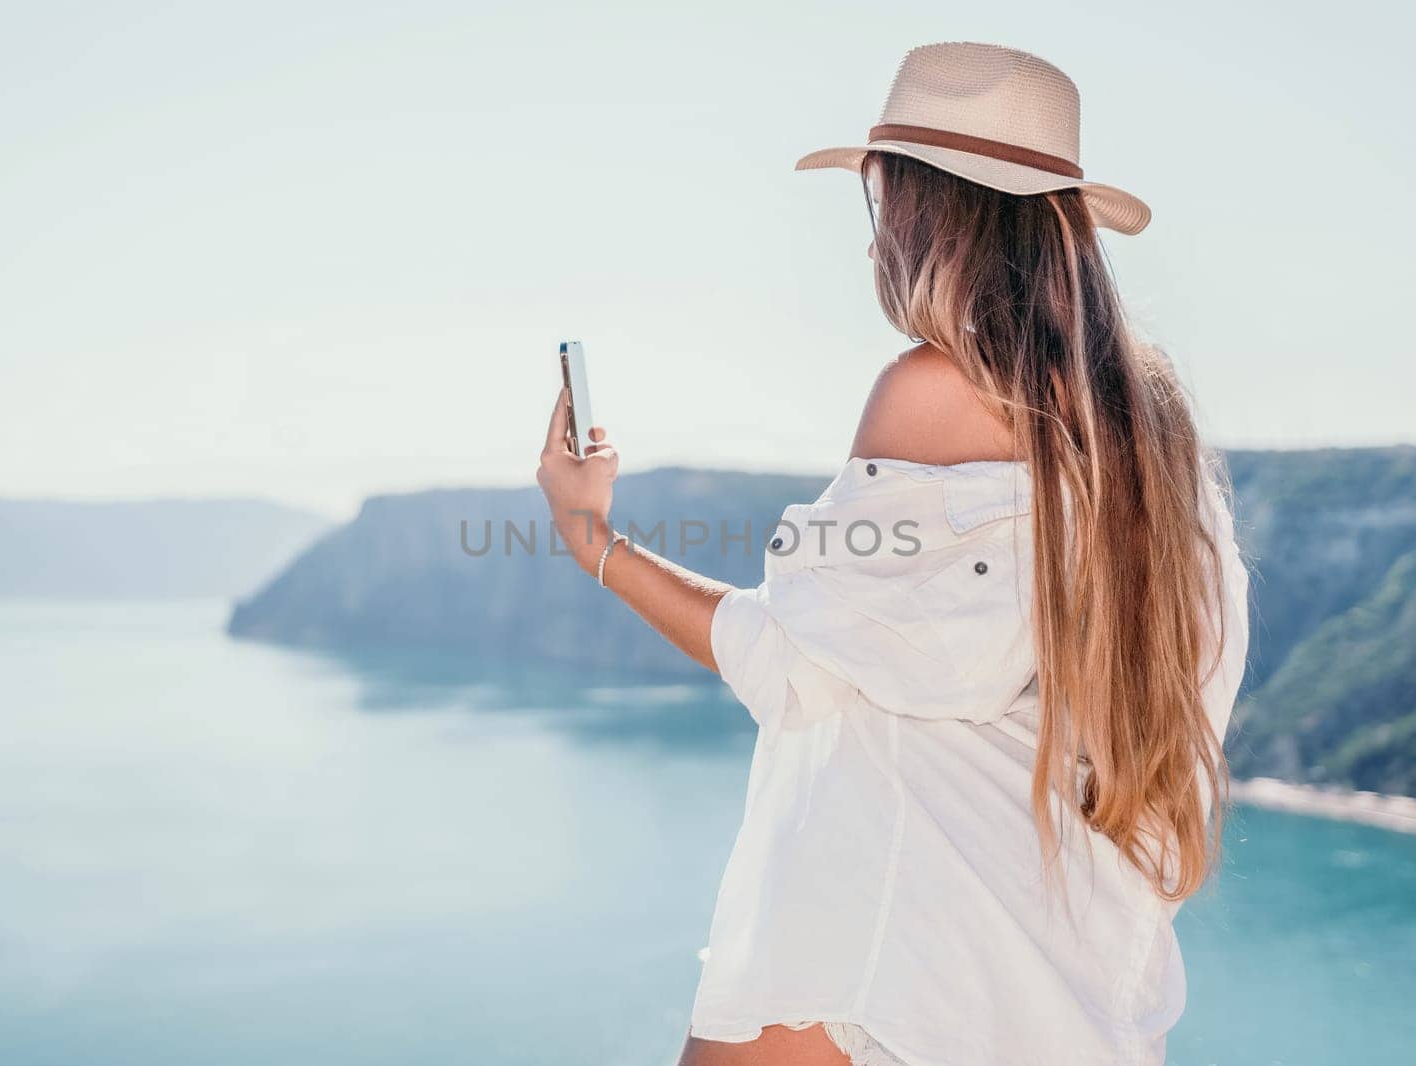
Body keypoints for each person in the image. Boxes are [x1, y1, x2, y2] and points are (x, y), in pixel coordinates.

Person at [534, 41, 1251, 1066]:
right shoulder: (1161, 455)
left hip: (877, 959)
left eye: (882, 204)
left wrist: (587, 537)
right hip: (1061, 991)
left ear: (923, 212)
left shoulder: (930, 391)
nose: (874, 243)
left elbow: (794, 662)